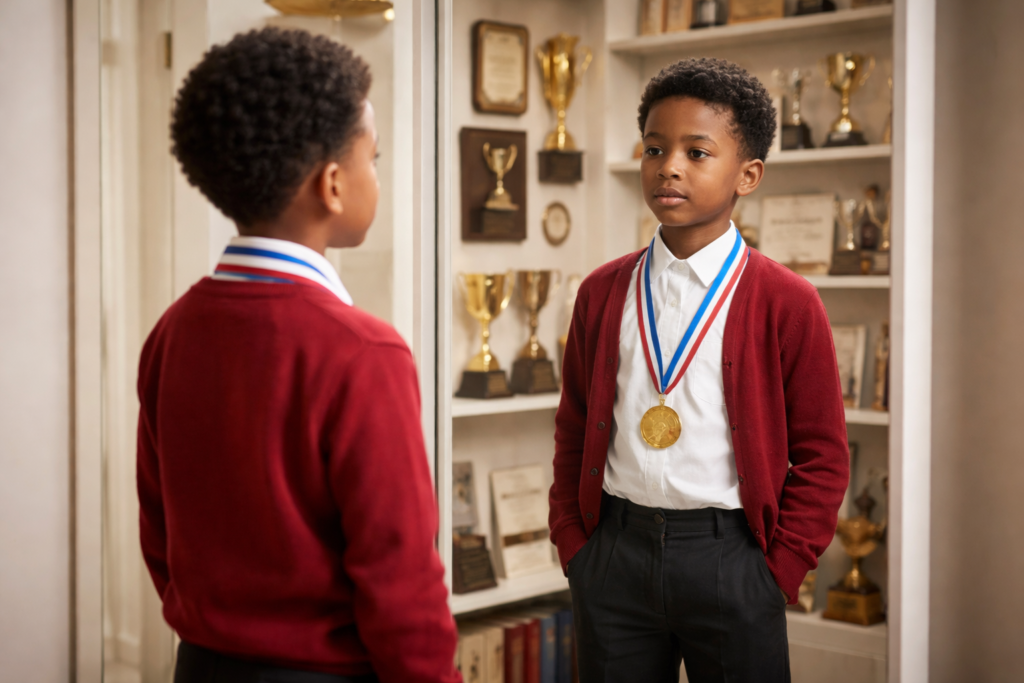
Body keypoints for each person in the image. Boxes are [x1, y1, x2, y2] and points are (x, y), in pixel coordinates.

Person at [137, 28, 459, 683]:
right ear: (334, 184)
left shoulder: (174, 328)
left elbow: (159, 529)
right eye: (375, 156)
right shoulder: (364, 351)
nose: (378, 171)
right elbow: (401, 581)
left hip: (201, 667)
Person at [548, 58, 849, 683]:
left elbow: (823, 454)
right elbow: (574, 423)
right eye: (655, 148)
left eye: (697, 151)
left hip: (733, 559)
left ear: (748, 175)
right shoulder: (603, 292)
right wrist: (575, 543)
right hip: (614, 554)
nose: (670, 166)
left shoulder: (788, 302)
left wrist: (779, 570)